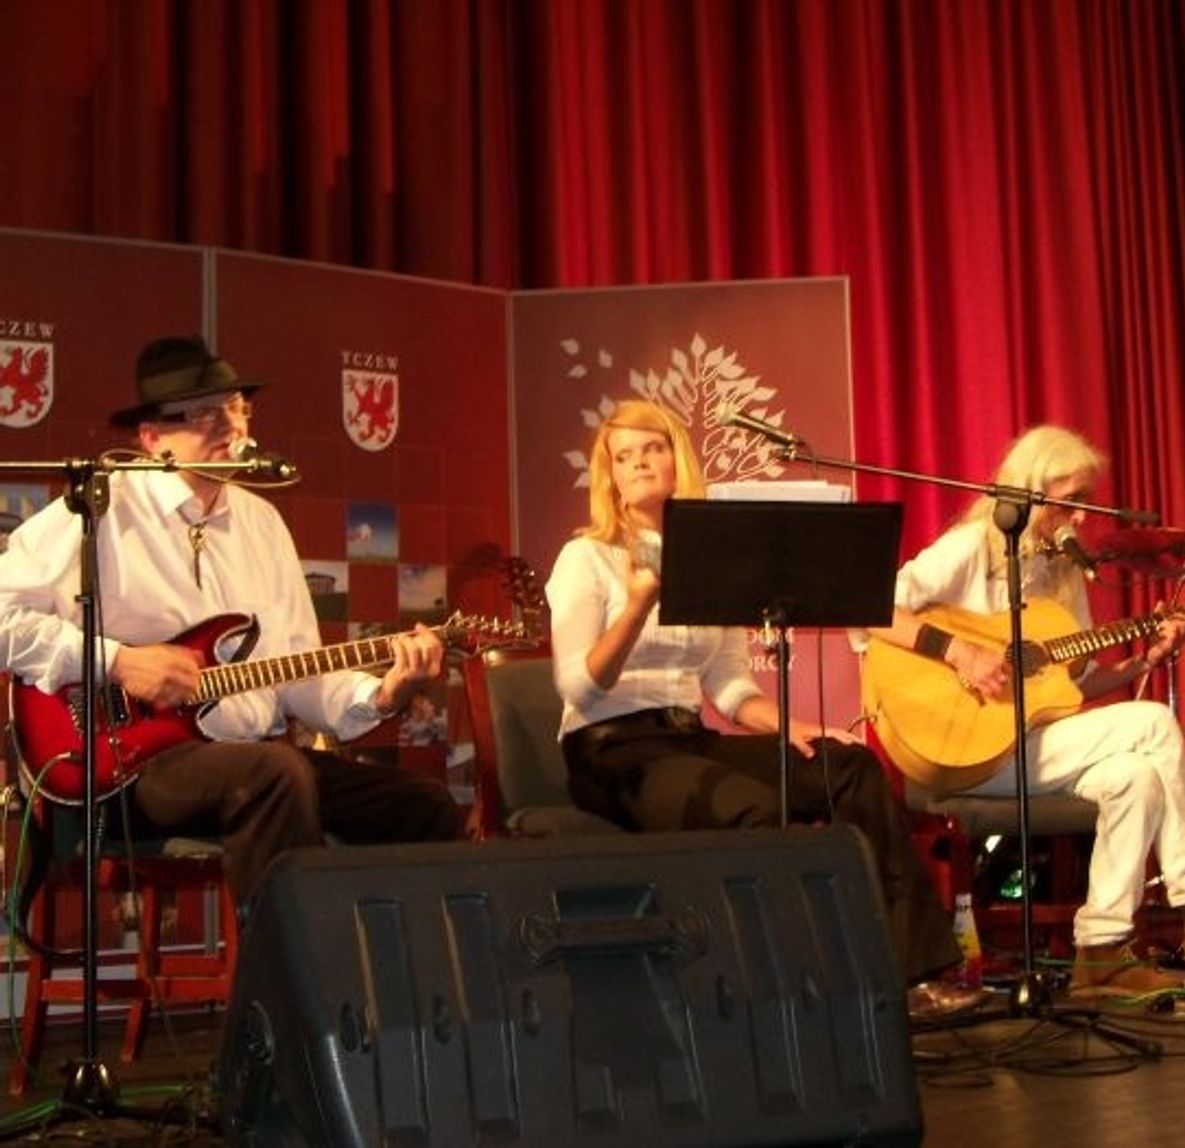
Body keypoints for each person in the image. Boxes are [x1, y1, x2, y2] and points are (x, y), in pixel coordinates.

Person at [0, 335, 463, 905]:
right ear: (152, 437)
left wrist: (386, 694)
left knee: (422, 804)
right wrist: (117, 662)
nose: (231, 425)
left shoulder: (262, 522)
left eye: (238, 408)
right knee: (275, 773)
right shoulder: (98, 508)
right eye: (204, 413)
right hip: (131, 765)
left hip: (254, 761)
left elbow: (300, 675)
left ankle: (388, 958)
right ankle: (289, 962)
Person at [545, 399, 965, 1000]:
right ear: (609, 476)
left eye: (653, 448)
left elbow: (730, 686)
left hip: (687, 739)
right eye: (623, 456)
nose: (639, 463)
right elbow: (578, 687)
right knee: (753, 810)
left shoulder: (707, 560)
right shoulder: (586, 557)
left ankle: (909, 973)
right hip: (610, 751)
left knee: (848, 767)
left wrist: (791, 725)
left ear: (676, 459)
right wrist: (636, 606)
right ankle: (784, 986)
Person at [864, 425, 1185, 998]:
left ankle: (1100, 952)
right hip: (958, 748)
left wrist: (1142, 661)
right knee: (1153, 723)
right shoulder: (973, 546)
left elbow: (1069, 687)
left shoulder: (1064, 574)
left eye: (1086, 503)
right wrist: (957, 650)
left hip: (1022, 745)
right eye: (1068, 501)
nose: (1078, 518)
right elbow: (867, 606)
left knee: (1136, 777)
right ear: (1029, 490)